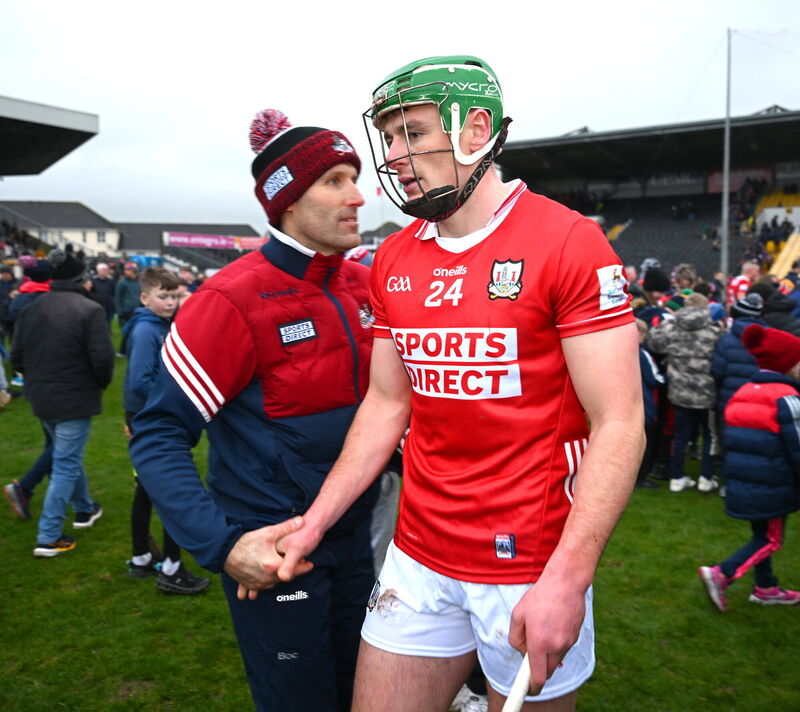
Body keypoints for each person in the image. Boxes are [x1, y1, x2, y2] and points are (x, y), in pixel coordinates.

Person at [277, 55, 644, 711]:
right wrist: (314, 523)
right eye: (387, 137)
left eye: (411, 133)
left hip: (531, 563)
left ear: (476, 130)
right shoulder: (392, 258)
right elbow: (387, 404)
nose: (392, 155)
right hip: (418, 551)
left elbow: (620, 423)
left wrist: (569, 576)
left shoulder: (568, 243)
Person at [129, 109, 376, 711]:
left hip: (359, 542)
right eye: (336, 180)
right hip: (275, 552)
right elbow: (158, 433)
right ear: (287, 199)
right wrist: (221, 546)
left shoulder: (365, 286)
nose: (358, 196)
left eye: (355, 177)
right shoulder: (227, 299)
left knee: (364, 697)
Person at [10, 248, 113, 556]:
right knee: (65, 462)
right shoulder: (89, 309)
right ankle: (49, 535)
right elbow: (103, 359)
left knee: (67, 455)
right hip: (72, 397)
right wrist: (97, 384)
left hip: (42, 396)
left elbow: (16, 355)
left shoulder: (32, 306)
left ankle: (84, 509)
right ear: (83, 279)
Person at [698, 323, 800, 611]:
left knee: (761, 534)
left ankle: (766, 587)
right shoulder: (787, 398)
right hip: (774, 484)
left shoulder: (743, 391)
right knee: (771, 539)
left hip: (746, 481)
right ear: (786, 364)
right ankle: (722, 574)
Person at [123, 266, 210, 594]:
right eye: (163, 296)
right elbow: (139, 381)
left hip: (145, 416)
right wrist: (174, 397)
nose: (171, 301)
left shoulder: (160, 325)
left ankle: (142, 558)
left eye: (174, 295)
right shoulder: (147, 330)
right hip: (152, 419)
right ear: (145, 298)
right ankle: (171, 570)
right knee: (173, 491)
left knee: (146, 489)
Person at [648, 292, 723, 493]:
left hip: (678, 389)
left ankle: (677, 477)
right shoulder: (714, 330)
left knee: (680, 434)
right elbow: (722, 357)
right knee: (709, 435)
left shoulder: (671, 326)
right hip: (706, 391)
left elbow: (653, 342)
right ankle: (706, 477)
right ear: (705, 307)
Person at [114, 262, 141, 355]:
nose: (127, 272)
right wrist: (119, 313)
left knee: (137, 331)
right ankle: (122, 351)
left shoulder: (139, 282)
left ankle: (133, 349)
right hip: (126, 311)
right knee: (127, 332)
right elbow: (118, 298)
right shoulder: (122, 282)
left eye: (129, 270)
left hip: (138, 310)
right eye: (126, 270)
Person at [90, 261, 117, 327]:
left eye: (106, 270)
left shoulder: (111, 281)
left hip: (109, 307)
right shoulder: (93, 281)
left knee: (108, 325)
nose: (105, 271)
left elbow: (114, 293)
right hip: (98, 307)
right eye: (103, 270)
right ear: (98, 271)